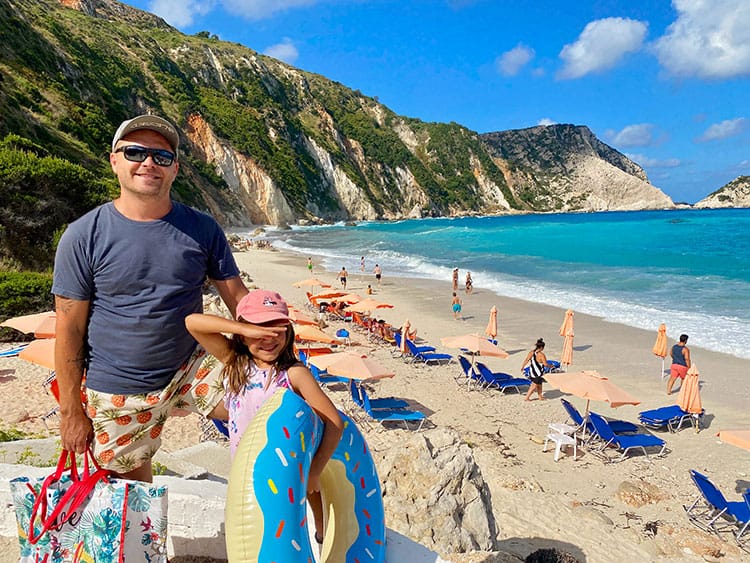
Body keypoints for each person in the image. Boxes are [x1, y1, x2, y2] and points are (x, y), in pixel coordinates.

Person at [52, 114, 258, 482]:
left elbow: (238, 299)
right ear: (115, 161)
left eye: (161, 157)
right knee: (131, 500)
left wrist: (275, 338)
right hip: (118, 386)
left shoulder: (202, 228)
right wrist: (71, 411)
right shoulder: (83, 235)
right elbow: (68, 327)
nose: (148, 163)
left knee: (269, 406)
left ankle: (287, 515)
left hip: (193, 365)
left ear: (175, 169)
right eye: (135, 152)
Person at [185, 290, 343, 545]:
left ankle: (321, 534)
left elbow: (334, 422)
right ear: (243, 334)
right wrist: (245, 329)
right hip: (244, 471)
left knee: (281, 538)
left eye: (276, 330)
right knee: (252, 539)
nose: (268, 338)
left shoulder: (293, 374)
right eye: (260, 329)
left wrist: (315, 471)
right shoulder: (235, 362)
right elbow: (192, 323)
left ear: (288, 332)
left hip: (286, 474)